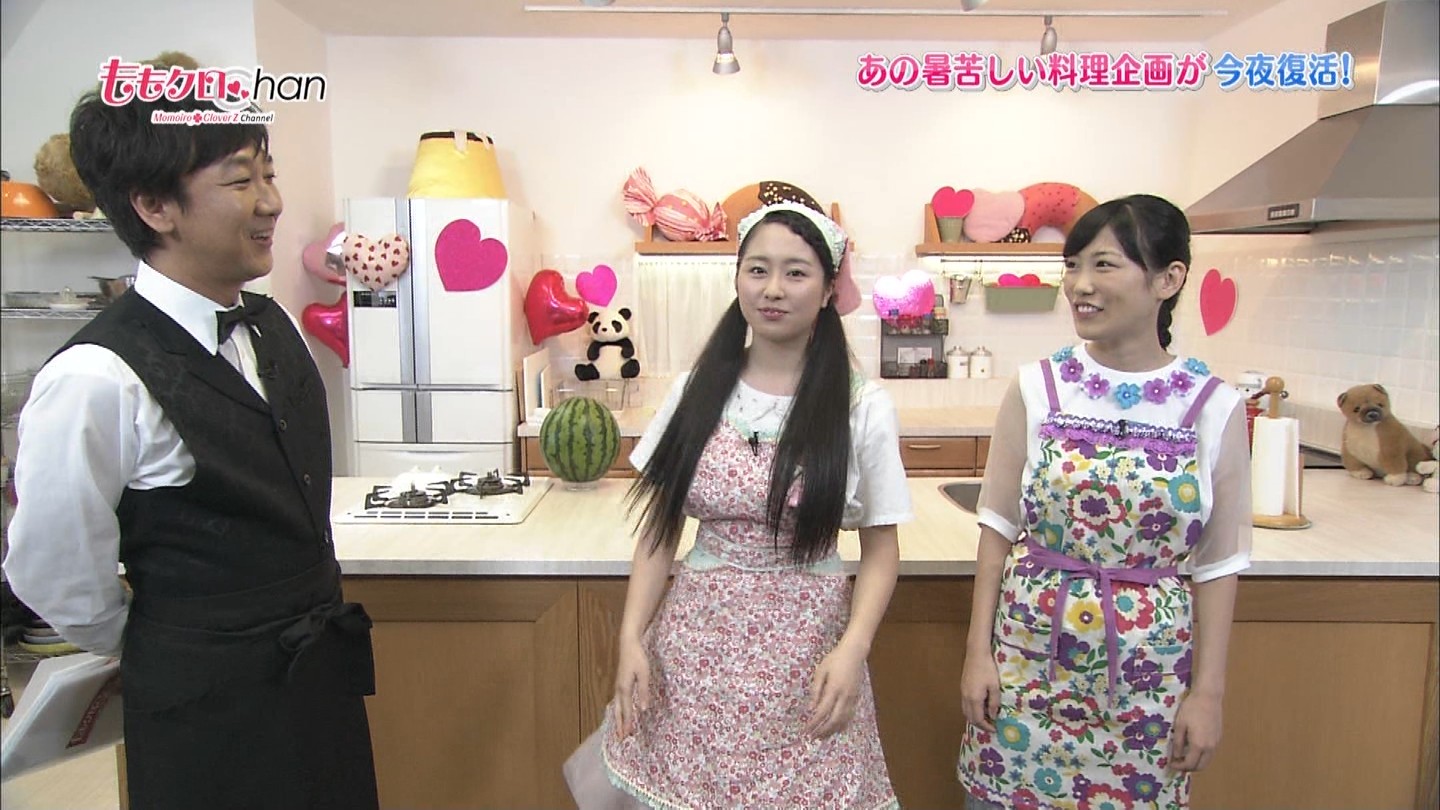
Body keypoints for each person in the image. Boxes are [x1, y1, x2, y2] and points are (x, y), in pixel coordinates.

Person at [1, 90, 379, 810]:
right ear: (154, 206)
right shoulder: (96, 377)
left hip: (318, 685)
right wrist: (178, 643)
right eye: (240, 181)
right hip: (206, 716)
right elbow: (53, 573)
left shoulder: (272, 324)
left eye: (268, 174)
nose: (270, 202)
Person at [563, 202, 913, 809]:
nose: (773, 288)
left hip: (807, 658)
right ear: (737, 279)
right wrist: (630, 638)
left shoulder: (861, 407)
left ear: (828, 290)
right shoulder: (694, 391)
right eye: (758, 269)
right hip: (694, 654)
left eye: (796, 272)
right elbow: (659, 533)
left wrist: (853, 648)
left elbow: (882, 548)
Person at [955, 194, 1251, 809]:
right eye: (1072, 266)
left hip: (1149, 677)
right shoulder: (1038, 387)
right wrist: (977, 653)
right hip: (1027, 661)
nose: (1079, 285)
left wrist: (1208, 694)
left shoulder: (1213, 406)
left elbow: (1219, 563)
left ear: (1169, 279)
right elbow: (997, 526)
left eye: (1104, 265)